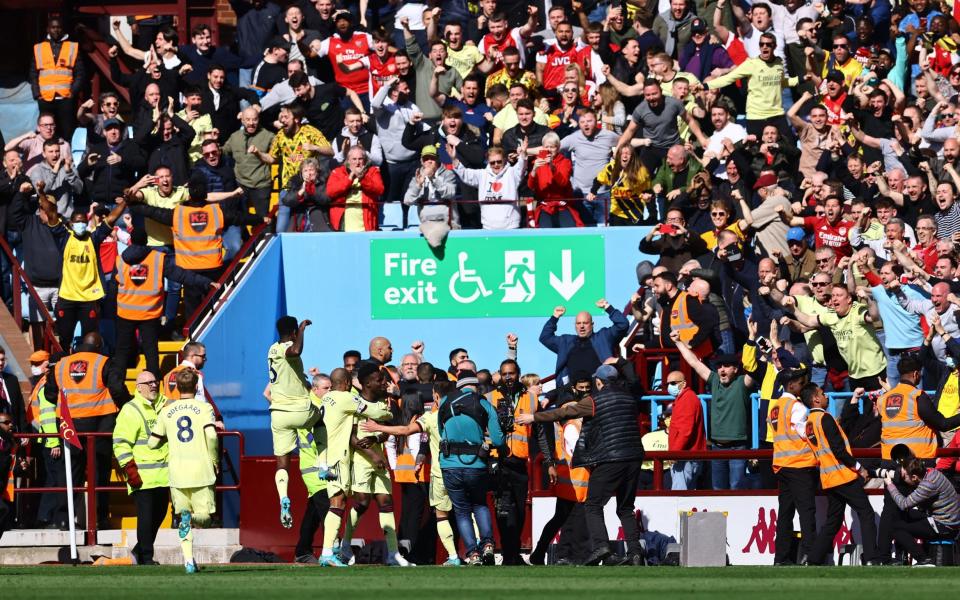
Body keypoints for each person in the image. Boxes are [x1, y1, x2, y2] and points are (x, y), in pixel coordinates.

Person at [362, 378, 463, 566]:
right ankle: (426, 554)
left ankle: (412, 553)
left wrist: (394, 466)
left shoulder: (406, 420)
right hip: (424, 474)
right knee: (434, 516)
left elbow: (393, 442)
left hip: (406, 474)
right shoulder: (427, 418)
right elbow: (417, 445)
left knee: (410, 517)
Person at [45, 332, 130, 527]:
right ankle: (100, 519)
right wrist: (128, 404)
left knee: (69, 473)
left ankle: (65, 519)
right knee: (99, 474)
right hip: (100, 427)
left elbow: (50, 394)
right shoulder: (105, 362)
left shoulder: (61, 365)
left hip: (69, 426)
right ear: (99, 346)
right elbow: (117, 390)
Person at [113, 228, 219, 380]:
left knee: (121, 352)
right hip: (149, 313)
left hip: (125, 312)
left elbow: (112, 287)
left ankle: (117, 386)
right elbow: (182, 275)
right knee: (151, 352)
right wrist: (206, 282)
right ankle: (153, 385)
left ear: (131, 241)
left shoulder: (120, 259)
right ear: (146, 241)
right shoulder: (158, 258)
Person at [317, 367, 393, 566]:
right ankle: (327, 553)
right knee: (338, 503)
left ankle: (331, 548)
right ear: (347, 384)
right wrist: (387, 407)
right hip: (338, 456)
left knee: (337, 503)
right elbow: (375, 411)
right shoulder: (345, 398)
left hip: (327, 456)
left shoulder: (326, 398)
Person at [799, 382, 880, 566]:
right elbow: (839, 450)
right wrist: (860, 468)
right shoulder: (825, 418)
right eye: (822, 393)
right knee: (866, 513)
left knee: (833, 522)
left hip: (828, 479)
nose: (826, 395)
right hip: (843, 476)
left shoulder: (809, 424)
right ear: (816, 399)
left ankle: (812, 559)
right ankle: (871, 559)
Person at [148, 369, 218, 574]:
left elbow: (152, 443)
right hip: (201, 471)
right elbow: (212, 436)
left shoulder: (166, 410)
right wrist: (214, 459)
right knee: (205, 518)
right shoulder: (204, 408)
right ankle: (192, 519)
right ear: (196, 386)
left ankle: (188, 562)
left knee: (182, 516)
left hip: (177, 473)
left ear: (176, 387)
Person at [438, 360, 505, 565]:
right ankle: (487, 545)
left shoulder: (444, 402)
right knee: (480, 504)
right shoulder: (484, 403)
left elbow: (442, 432)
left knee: (461, 510)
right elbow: (499, 439)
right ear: (475, 386)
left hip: (449, 463)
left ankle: (472, 553)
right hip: (476, 463)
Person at [673, 333, 757, 489]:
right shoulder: (714, 380)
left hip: (738, 447)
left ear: (736, 369)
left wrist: (752, 338)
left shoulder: (742, 382)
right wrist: (678, 342)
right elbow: (694, 363)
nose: (722, 370)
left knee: (736, 488)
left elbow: (753, 370)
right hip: (717, 447)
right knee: (717, 489)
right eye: (719, 366)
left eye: (726, 366)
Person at [266, 316, 321, 529]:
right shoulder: (290, 346)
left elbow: (288, 373)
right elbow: (295, 352)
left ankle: (283, 498)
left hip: (278, 413)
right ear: (293, 333)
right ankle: (324, 464)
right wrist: (302, 330)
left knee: (282, 462)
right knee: (322, 419)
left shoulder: (272, 349)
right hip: (299, 409)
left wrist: (303, 380)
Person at [112, 371, 168, 565]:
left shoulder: (166, 405)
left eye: (155, 381)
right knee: (145, 517)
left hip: (164, 474)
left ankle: (139, 550)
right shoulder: (130, 410)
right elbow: (120, 443)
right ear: (138, 387)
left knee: (159, 515)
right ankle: (146, 557)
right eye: (148, 382)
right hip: (142, 475)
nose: (154, 385)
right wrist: (130, 469)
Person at [766, 367, 818, 565]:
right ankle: (809, 555)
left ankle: (781, 557)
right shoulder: (796, 407)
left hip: (782, 465)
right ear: (790, 385)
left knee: (785, 514)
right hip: (799, 465)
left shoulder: (776, 407)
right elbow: (803, 431)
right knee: (806, 512)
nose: (803, 384)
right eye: (800, 382)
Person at [883, 456, 960, 567]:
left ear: (914, 477)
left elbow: (904, 504)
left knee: (896, 528)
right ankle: (901, 557)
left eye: (904, 476)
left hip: (944, 525)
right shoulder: (931, 472)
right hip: (947, 520)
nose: (902, 478)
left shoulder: (928, 484)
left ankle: (924, 560)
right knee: (901, 516)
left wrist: (890, 485)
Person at [538, 299, 629, 383]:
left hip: (600, 390)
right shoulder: (565, 342)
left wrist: (608, 307)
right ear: (575, 325)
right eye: (578, 323)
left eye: (585, 323)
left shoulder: (603, 337)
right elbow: (545, 337)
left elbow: (623, 324)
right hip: (573, 394)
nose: (581, 326)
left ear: (592, 324)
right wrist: (555, 317)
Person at [292, 374, 331, 564]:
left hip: (317, 465)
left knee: (314, 513)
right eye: (326, 388)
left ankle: (302, 551)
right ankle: (331, 551)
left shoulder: (319, 406)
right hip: (314, 467)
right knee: (328, 509)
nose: (329, 391)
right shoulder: (311, 408)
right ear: (315, 389)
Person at [30, 17, 84, 136]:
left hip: (65, 98)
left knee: (67, 130)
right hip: (45, 98)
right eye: (53, 27)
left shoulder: (72, 47)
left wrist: (73, 92)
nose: (56, 30)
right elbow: (33, 73)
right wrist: (37, 94)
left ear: (62, 29)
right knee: (47, 131)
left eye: (58, 27)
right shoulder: (39, 48)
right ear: (48, 29)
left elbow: (80, 73)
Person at [326, 146, 384, 232]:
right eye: (354, 159)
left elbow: (380, 189)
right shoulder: (338, 172)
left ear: (365, 160)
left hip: (366, 224)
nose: (357, 162)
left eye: (360, 159)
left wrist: (362, 178)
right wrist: (349, 179)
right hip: (343, 224)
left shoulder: (372, 171)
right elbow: (330, 192)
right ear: (348, 160)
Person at [665, 370, 705, 490]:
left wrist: (675, 453)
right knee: (688, 496)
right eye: (667, 384)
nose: (669, 387)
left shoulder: (687, 399)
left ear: (683, 383)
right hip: (686, 455)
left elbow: (685, 431)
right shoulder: (685, 398)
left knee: (679, 496)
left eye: (673, 383)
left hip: (684, 457)